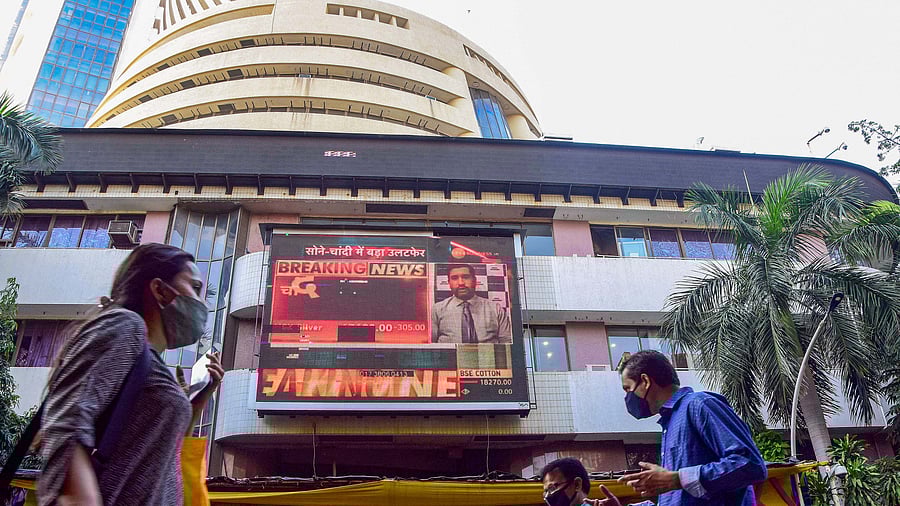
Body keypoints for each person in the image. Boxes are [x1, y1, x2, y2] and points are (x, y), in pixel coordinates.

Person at [36, 243, 225, 506]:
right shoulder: (126, 326)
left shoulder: (152, 364)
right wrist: (78, 497)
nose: (201, 302)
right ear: (160, 290)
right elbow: (70, 416)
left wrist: (199, 399)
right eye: (194, 287)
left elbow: (162, 451)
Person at [597, 350, 767, 506]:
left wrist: (677, 479)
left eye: (628, 389)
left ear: (645, 381)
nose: (628, 397)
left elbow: (751, 464)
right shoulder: (670, 423)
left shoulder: (700, 405)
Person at [431, 264, 512, 344]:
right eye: (455, 278)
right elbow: (431, 343)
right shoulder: (437, 309)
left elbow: (507, 342)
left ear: (475, 280)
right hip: (450, 356)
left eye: (466, 277)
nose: (461, 283)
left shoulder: (495, 309)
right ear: (449, 283)